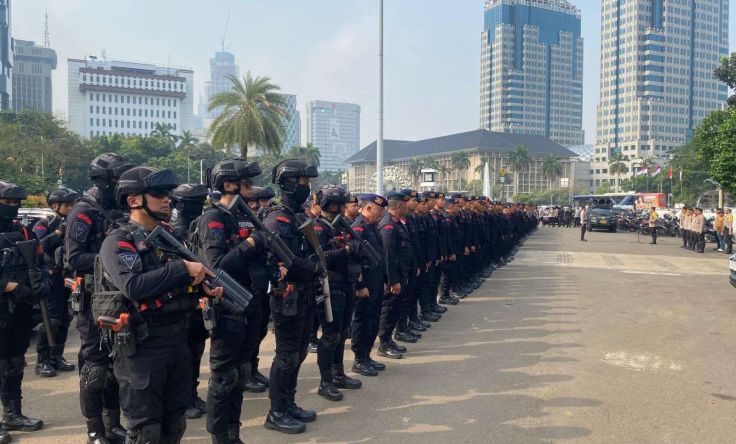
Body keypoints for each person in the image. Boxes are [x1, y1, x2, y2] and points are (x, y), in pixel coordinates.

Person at [99, 166, 218, 443]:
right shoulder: (119, 242)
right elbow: (134, 286)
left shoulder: (169, 239)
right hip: (142, 348)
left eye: (167, 194)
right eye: (157, 194)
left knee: (174, 424)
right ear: (133, 200)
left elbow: (179, 283)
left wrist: (203, 287)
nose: (166, 200)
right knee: (145, 431)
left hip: (177, 341)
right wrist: (182, 269)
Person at [197, 158, 273, 443]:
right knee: (224, 377)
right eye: (246, 184)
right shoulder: (213, 218)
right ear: (229, 185)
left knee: (241, 373)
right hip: (227, 306)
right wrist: (252, 243)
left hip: (251, 301)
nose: (252, 190)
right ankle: (220, 436)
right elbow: (218, 264)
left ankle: (233, 432)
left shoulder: (245, 216)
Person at [65, 153, 132, 443]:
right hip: (93, 298)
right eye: (117, 179)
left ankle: (113, 421)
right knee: (95, 366)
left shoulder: (121, 209)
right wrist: (112, 258)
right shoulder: (83, 211)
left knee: (117, 363)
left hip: (117, 296)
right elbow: (75, 257)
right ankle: (94, 429)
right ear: (102, 180)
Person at [262, 159, 324, 434]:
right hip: (287, 296)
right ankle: (276, 411)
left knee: (298, 353)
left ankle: (288, 403)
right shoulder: (278, 219)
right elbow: (284, 261)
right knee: (286, 355)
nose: (306, 187)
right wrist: (313, 268)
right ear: (288, 183)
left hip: (305, 293)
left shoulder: (298, 215)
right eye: (302, 182)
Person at [0, 181, 50, 444]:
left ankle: (12, 414)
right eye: (6, 203)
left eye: (15, 203)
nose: (12, 208)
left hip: (19, 308)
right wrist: (7, 286)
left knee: (14, 363)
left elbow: (40, 260)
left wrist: (41, 280)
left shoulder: (23, 231)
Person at [312, 186, 365, 402]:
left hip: (345, 283)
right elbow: (319, 257)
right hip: (329, 286)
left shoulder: (341, 226)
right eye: (342, 203)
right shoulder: (318, 228)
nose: (345, 207)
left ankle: (338, 373)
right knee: (331, 335)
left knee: (343, 332)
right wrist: (346, 251)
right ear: (333, 205)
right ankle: (325, 382)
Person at [169, 183, 210, 421]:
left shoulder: (198, 225)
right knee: (184, 354)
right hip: (181, 298)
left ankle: (191, 393)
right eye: (195, 201)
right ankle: (183, 399)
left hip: (197, 297)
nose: (200, 205)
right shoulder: (175, 229)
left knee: (195, 350)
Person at [33, 187, 79, 378]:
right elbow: (39, 246)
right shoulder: (44, 225)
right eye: (67, 205)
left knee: (66, 317)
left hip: (67, 277)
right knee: (51, 319)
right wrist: (60, 231)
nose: (70, 208)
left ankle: (57, 356)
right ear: (55, 206)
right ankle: (43, 359)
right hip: (50, 278)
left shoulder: (74, 224)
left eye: (72, 205)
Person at [350, 194, 388, 376]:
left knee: (373, 319)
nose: (382, 214)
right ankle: (359, 359)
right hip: (365, 283)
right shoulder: (358, 228)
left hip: (376, 281)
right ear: (369, 208)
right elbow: (354, 261)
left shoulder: (372, 227)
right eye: (379, 210)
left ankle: (366, 355)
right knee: (362, 319)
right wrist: (360, 285)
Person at [377, 192, 414, 359]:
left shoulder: (397, 223)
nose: (407, 206)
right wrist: (393, 281)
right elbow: (388, 256)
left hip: (401, 274)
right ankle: (383, 344)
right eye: (405, 204)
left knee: (395, 309)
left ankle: (389, 340)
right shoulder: (388, 226)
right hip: (394, 278)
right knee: (389, 310)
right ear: (398, 205)